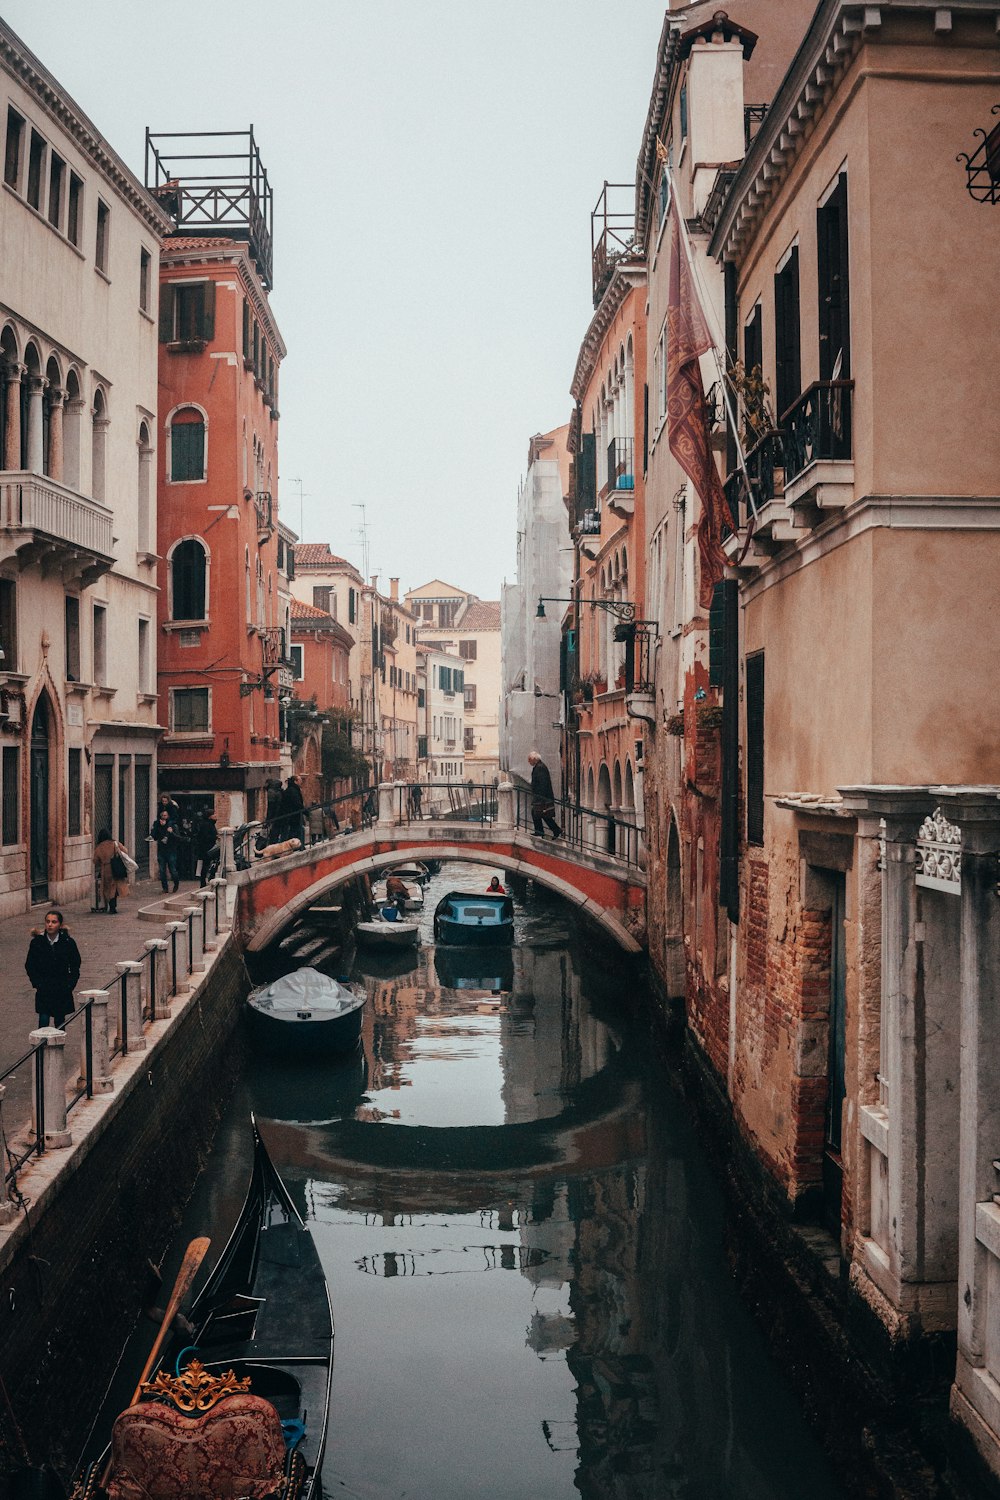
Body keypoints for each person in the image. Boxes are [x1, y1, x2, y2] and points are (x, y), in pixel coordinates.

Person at [25, 910, 81, 1028]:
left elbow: (75, 964)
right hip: (44, 988)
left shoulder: (67, 942)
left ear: (60, 925)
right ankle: (41, 1046)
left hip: (62, 988)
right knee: (43, 1020)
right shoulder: (37, 942)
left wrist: (70, 984)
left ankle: (59, 1046)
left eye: (54, 922)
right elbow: (30, 965)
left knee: (60, 1022)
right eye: (48, 921)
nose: (50, 924)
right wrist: (37, 983)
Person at [94, 828, 130, 914]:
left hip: (105, 869)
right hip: (116, 867)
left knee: (108, 888)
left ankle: (111, 906)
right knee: (115, 887)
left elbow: (95, 860)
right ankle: (113, 907)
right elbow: (125, 851)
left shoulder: (99, 847)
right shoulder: (115, 843)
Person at [527, 751, 562, 839]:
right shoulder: (539, 766)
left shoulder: (540, 768)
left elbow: (543, 784)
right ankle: (554, 830)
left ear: (534, 759)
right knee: (543, 815)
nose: (529, 762)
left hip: (542, 797)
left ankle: (541, 831)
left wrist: (541, 798)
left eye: (530, 760)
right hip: (542, 796)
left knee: (538, 813)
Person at [150, 808, 180, 893]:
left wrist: (171, 832)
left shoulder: (173, 826)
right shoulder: (158, 825)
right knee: (162, 870)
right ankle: (165, 888)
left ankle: (176, 883)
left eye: (165, 815)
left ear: (168, 816)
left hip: (171, 850)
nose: (164, 817)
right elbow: (155, 837)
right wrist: (157, 829)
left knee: (172, 870)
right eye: (162, 816)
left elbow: (178, 838)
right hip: (161, 851)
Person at [193, 809, 220, 888]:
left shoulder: (210, 824)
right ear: (209, 816)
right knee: (205, 865)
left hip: (208, 847)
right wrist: (215, 837)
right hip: (206, 848)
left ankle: (205, 881)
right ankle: (203, 882)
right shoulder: (206, 825)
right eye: (214, 814)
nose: (216, 816)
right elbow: (205, 837)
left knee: (206, 865)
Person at [280, 775, 306, 846]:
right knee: (298, 831)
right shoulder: (293, 791)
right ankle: (300, 847)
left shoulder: (291, 790)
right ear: (295, 781)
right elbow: (297, 804)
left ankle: (298, 847)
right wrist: (306, 812)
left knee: (295, 832)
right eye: (300, 780)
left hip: (291, 816)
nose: (301, 782)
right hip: (293, 816)